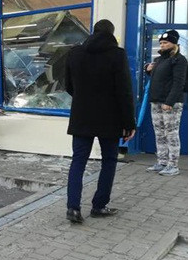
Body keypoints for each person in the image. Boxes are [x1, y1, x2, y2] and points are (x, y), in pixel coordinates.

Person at [64, 19, 136, 224]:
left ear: (93, 32)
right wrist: (129, 123)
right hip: (110, 119)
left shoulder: (74, 53)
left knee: (78, 161)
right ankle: (98, 206)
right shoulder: (117, 54)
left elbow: (69, 86)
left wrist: (83, 99)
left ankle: (73, 208)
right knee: (109, 162)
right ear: (112, 34)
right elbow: (124, 91)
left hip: (82, 116)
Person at [145, 30, 188, 176]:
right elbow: (160, 78)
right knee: (159, 134)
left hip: (171, 103)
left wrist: (169, 101)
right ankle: (162, 162)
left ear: (174, 43)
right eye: (161, 43)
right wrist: (148, 70)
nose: (162, 45)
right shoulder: (159, 60)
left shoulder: (179, 60)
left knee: (171, 134)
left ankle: (173, 165)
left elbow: (179, 83)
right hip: (156, 102)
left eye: (166, 43)